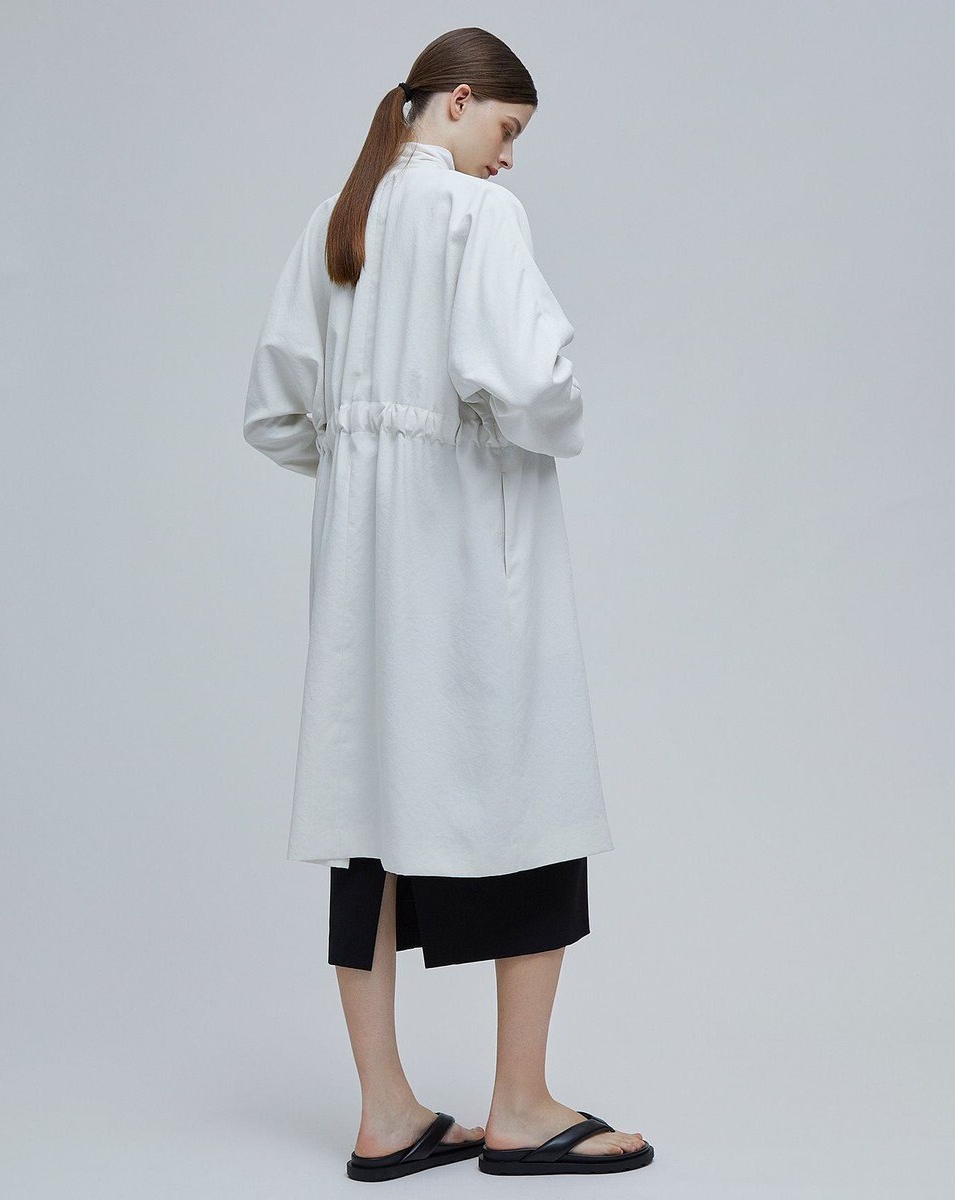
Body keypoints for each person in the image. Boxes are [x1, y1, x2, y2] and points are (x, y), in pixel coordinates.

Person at [242, 26, 653, 1182]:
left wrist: (368, 469)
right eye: (507, 130)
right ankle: (519, 1105)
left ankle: (384, 1113)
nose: (508, 158)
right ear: (459, 101)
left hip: (363, 576)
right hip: (472, 561)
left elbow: (274, 413)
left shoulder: (342, 218)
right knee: (529, 791)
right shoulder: (478, 217)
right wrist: (492, 432)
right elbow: (531, 385)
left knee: (366, 817)